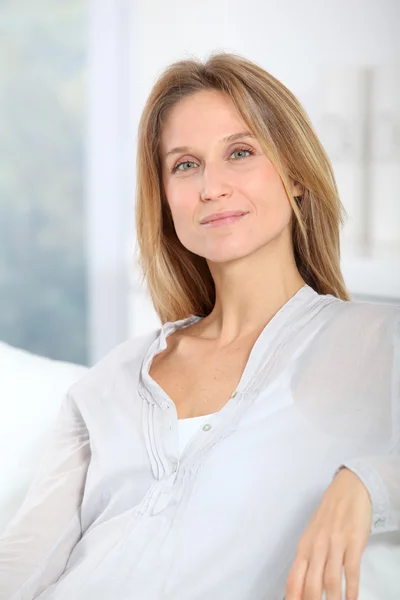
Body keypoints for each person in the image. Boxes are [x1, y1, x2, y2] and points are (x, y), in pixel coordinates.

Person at [0, 52, 398, 600]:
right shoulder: (113, 378)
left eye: (240, 152)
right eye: (185, 165)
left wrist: (367, 484)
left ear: (298, 175)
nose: (212, 186)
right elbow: (24, 560)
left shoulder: (377, 342)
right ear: (165, 199)